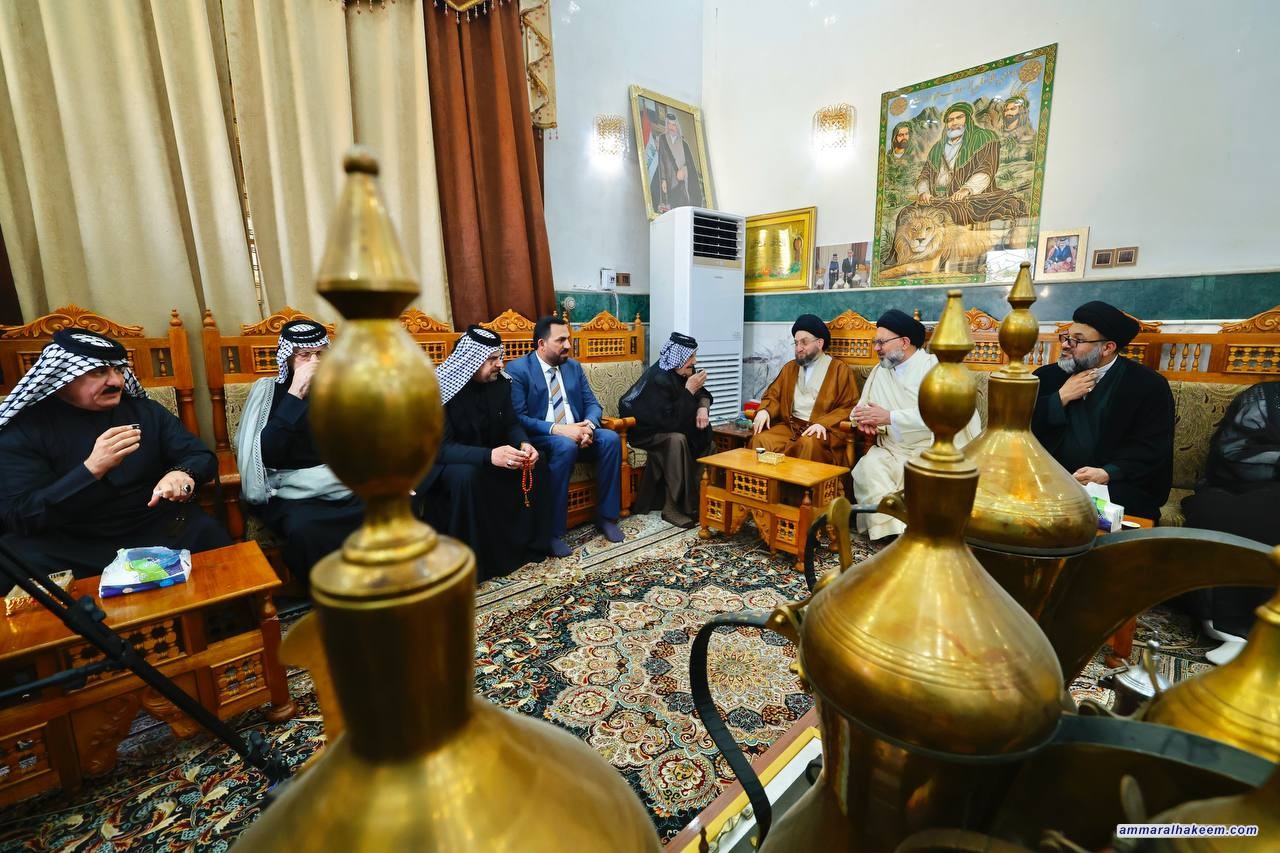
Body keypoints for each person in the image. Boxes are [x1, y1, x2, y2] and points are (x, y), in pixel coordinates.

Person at [0, 329, 230, 578]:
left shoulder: (145, 412)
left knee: (208, 532)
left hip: (152, 525)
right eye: (99, 371)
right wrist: (91, 469)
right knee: (13, 560)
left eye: (119, 370)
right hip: (72, 540)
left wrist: (182, 474)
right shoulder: (24, 429)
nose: (116, 382)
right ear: (63, 375)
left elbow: (200, 455)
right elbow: (21, 515)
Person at [416, 326, 552, 580]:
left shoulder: (499, 384)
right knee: (468, 476)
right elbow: (441, 448)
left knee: (538, 461)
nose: (500, 364)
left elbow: (511, 424)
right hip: (448, 462)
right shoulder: (439, 388)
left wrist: (524, 444)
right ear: (470, 360)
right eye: (492, 359)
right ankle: (475, 563)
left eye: (500, 357)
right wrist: (489, 456)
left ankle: (529, 546)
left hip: (491, 454)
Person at [237, 319, 363, 583]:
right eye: (304, 355)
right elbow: (266, 454)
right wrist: (296, 394)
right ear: (287, 358)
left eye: (320, 354)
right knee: (306, 528)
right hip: (291, 492)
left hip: (342, 483)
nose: (314, 362)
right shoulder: (269, 393)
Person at [1032, 301, 1175, 522]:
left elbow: (1152, 447)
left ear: (1107, 348)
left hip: (1115, 485)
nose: (1066, 345)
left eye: (1077, 340)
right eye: (1066, 337)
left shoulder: (1148, 385)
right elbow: (1019, 427)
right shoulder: (1046, 377)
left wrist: (1108, 472)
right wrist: (1059, 399)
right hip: (1050, 479)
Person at [851, 310, 981, 542]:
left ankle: (914, 535)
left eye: (881, 342)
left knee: (921, 475)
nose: (876, 348)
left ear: (904, 342)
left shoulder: (937, 370)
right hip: (891, 448)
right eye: (875, 342)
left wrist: (889, 417)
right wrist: (865, 420)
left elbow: (945, 415)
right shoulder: (880, 371)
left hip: (928, 449)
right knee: (868, 467)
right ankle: (892, 533)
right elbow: (860, 409)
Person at [1180, 381, 1279, 664]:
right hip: (1237, 488)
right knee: (1228, 517)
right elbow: (1232, 452)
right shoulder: (1265, 397)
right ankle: (1233, 632)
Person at [508, 315, 624, 557]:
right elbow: (519, 417)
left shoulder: (573, 367)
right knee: (565, 446)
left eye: (568, 339)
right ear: (542, 344)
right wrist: (560, 429)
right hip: (544, 438)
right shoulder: (518, 370)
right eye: (561, 340)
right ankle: (552, 532)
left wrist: (588, 427)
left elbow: (593, 404)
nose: (568, 345)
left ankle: (606, 518)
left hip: (579, 432)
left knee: (610, 439)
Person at [619, 332, 712, 527]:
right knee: (677, 440)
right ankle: (672, 507)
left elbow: (702, 394)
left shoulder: (683, 370)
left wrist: (702, 407)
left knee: (707, 439)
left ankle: (695, 502)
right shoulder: (659, 378)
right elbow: (669, 422)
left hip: (669, 426)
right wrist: (689, 391)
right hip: (645, 432)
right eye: (690, 356)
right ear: (678, 357)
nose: (694, 361)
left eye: (694, 355)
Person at [748, 314, 858, 463]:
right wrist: (765, 410)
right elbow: (773, 395)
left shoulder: (839, 370)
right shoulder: (790, 368)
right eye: (796, 343)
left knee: (807, 444)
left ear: (820, 343)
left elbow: (849, 406)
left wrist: (824, 423)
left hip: (821, 430)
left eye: (804, 343)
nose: (799, 348)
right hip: (791, 427)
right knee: (761, 440)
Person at [912, 101, 1027, 227]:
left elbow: (986, 169)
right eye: (950, 120)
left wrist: (966, 189)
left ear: (967, 119)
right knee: (907, 213)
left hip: (970, 200)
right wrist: (924, 192)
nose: (954, 123)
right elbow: (925, 174)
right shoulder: (937, 148)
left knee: (950, 215)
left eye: (959, 118)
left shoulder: (984, 137)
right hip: (935, 201)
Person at [649, 111, 704, 214]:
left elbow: (690, 166)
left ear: (677, 126)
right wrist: (663, 179)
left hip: (682, 186)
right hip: (669, 183)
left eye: (673, 125)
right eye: (669, 124)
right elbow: (661, 161)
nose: (671, 127)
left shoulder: (684, 145)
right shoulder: (663, 139)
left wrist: (684, 170)